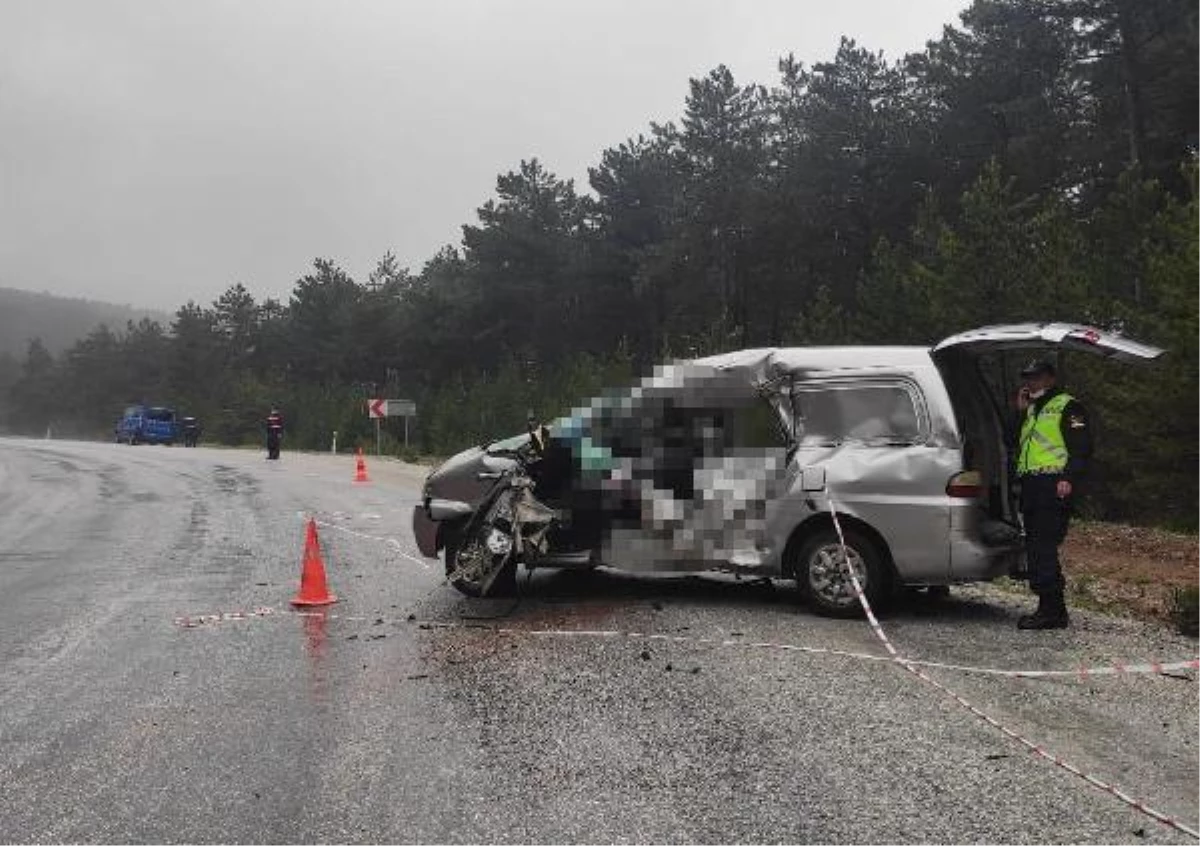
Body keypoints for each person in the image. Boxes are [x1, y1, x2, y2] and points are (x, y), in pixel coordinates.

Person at [1014, 359, 1092, 630]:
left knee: (1043, 547)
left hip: (1053, 484)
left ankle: (1052, 611)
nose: (1030, 382)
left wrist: (1068, 478)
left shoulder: (1067, 405)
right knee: (1036, 547)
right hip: (1032, 485)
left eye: (1036, 377)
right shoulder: (1033, 408)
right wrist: (1022, 413)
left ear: (1050, 378)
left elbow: (1081, 446)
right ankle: (1051, 608)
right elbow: (1021, 445)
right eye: (1027, 377)